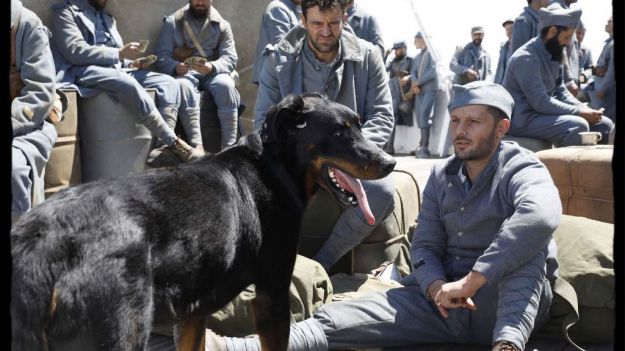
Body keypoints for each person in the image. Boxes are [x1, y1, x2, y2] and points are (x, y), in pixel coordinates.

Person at [210, 81, 562, 351]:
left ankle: (508, 345)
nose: (460, 131)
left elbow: (540, 218)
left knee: (528, 251)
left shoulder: (521, 168)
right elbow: (425, 245)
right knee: (341, 320)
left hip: (505, 306)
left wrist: (471, 281)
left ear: (501, 129)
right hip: (442, 305)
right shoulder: (443, 175)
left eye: (473, 122)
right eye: (455, 120)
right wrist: (436, 285)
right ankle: (237, 347)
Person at [254, 0, 395, 273]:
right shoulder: (277, 59)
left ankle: (322, 265)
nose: (326, 32)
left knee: (382, 191)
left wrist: (347, 157)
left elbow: (382, 117)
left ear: (345, 18)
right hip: (295, 161)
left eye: (333, 23)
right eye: (317, 23)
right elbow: (264, 124)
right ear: (303, 21)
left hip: (351, 158)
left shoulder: (368, 57)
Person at [50, 0, 202, 163]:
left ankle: (162, 148)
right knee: (127, 83)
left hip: (117, 70)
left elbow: (118, 59)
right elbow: (75, 51)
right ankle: (174, 143)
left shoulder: (107, 17)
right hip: (83, 71)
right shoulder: (64, 13)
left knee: (169, 83)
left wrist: (133, 64)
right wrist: (119, 53)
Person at [503, 5, 613, 146]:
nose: (568, 43)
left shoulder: (554, 52)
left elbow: (560, 91)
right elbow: (540, 102)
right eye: (566, 37)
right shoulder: (525, 58)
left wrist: (586, 110)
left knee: (605, 124)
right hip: (523, 120)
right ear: (552, 31)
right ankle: (565, 168)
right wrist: (579, 113)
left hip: (543, 114)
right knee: (577, 126)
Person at [154, 0, 241, 151]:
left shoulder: (222, 25)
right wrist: (175, 67)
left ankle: (230, 147)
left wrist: (212, 66)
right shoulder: (173, 22)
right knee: (182, 86)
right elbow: (161, 56)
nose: (200, 3)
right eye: (196, 0)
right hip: (185, 73)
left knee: (226, 86)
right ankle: (197, 146)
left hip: (212, 72)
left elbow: (230, 58)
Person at [11, 0, 58, 223]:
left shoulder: (27, 25)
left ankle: (20, 239)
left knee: (14, 168)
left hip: (29, 127)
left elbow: (40, 92)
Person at [251, 0, 301, 85]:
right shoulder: (278, 8)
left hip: (281, 76)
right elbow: (281, 47)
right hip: (274, 79)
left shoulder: (291, 9)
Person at [410, 31, 439, 158]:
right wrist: (414, 83)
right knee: (419, 118)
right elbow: (413, 71)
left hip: (429, 89)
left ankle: (425, 148)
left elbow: (433, 71)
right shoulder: (417, 57)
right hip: (419, 92)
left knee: (425, 117)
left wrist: (418, 83)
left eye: (416, 39)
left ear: (422, 39)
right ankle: (421, 144)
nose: (414, 42)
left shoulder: (432, 53)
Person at [385, 40, 413, 153]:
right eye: (394, 49)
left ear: (403, 49)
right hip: (392, 93)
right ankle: (388, 146)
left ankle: (389, 147)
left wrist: (408, 77)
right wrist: (386, 55)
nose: (395, 52)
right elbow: (382, 67)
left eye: (397, 49)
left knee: (392, 118)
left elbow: (416, 73)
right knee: (389, 118)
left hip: (404, 93)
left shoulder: (410, 60)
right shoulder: (392, 61)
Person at [548, 0, 580, 96]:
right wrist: (568, 80)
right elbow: (559, 47)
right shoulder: (557, 10)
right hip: (562, 85)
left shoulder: (565, 11)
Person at [587, 16, 614, 122]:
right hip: (598, 87)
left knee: (604, 120)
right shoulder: (608, 43)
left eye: (610, 22)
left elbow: (611, 70)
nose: (606, 24)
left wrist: (604, 89)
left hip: (606, 91)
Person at [493, 19, 514, 85]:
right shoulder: (503, 47)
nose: (509, 32)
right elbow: (499, 67)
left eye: (511, 29)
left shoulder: (521, 46)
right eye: (507, 30)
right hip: (502, 84)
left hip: (515, 84)